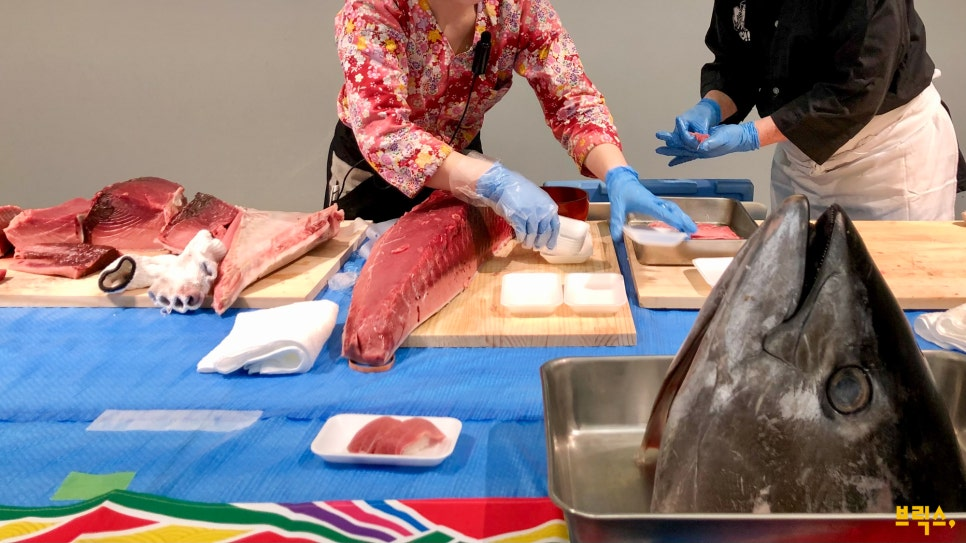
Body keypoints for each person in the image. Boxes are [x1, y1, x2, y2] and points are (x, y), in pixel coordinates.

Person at [328, 0, 696, 251]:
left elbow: (571, 100)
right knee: (365, 278)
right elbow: (385, 131)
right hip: (373, 169)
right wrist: (494, 182)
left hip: (461, 161)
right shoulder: (373, 10)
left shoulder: (517, 8)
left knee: (451, 274)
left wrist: (618, 174)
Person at [654, 0, 959, 221]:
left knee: (891, 281)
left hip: (886, 158)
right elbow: (737, 62)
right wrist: (711, 107)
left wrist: (750, 135)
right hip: (799, 157)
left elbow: (855, 87)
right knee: (794, 275)